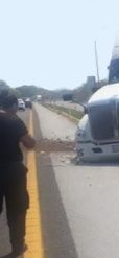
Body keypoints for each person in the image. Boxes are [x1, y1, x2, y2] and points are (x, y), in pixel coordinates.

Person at [0, 90, 36, 258]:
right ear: (14, 105)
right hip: (13, 171)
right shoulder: (14, 120)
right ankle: (17, 247)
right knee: (17, 210)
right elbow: (29, 144)